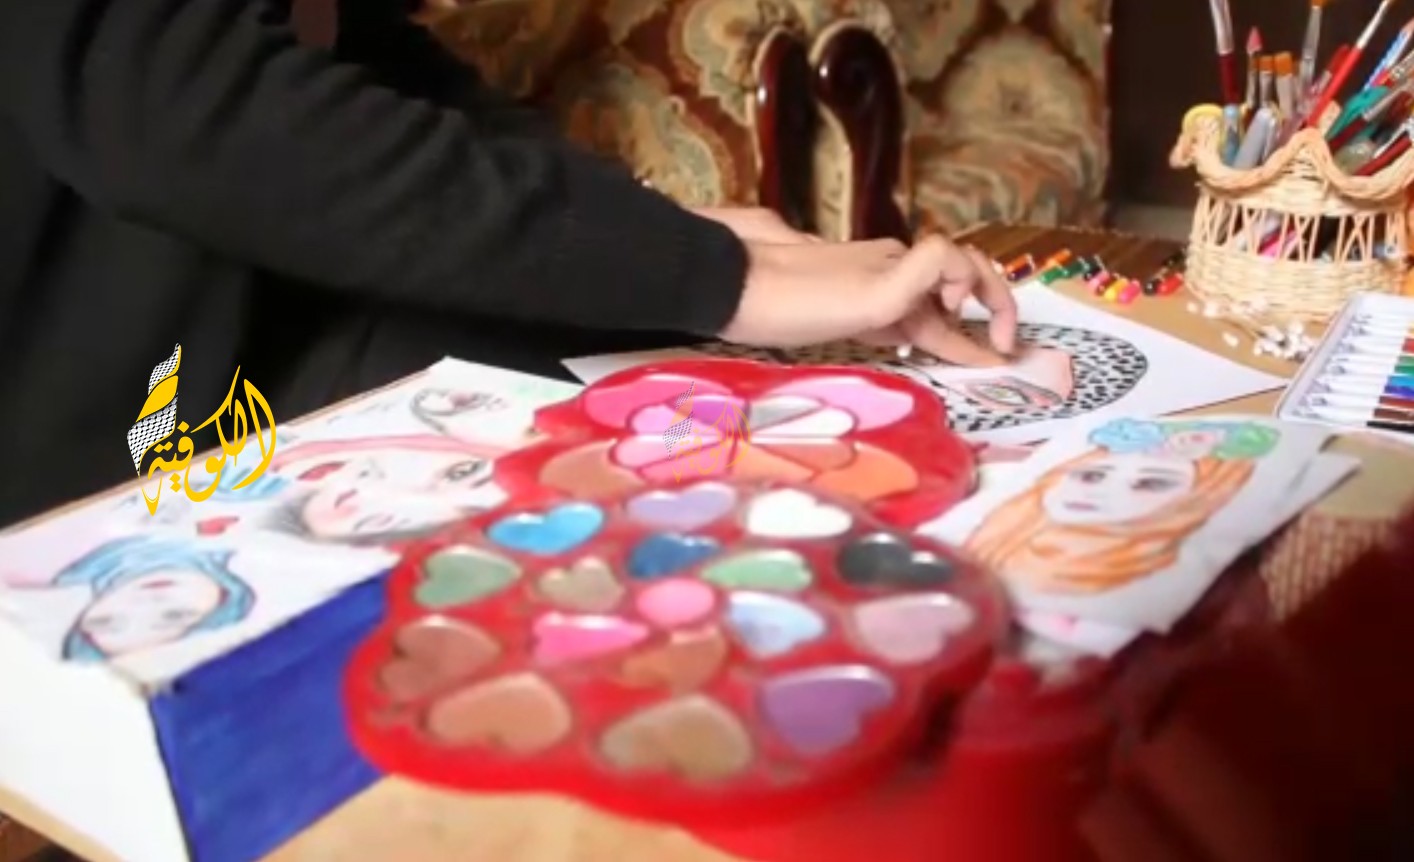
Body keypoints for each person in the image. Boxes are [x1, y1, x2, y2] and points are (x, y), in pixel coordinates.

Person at [0, 0, 1017, 528]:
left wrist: (667, 233)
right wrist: (716, 276)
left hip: (262, 319)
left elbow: (360, 56)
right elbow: (173, 109)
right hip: (85, 441)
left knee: (654, 425)